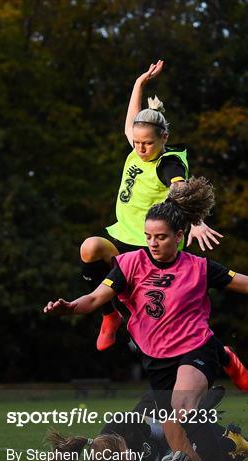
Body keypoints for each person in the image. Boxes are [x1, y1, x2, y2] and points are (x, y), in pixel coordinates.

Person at [44, 177, 248, 461]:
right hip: (157, 361)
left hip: (195, 348)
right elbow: (96, 298)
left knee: (183, 408)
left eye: (161, 237)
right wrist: (71, 308)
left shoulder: (200, 267)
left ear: (180, 236)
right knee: (179, 428)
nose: (153, 243)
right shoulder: (128, 265)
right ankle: (226, 441)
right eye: (148, 236)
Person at [80, 60, 222, 352]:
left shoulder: (167, 162)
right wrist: (139, 83)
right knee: (90, 248)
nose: (140, 148)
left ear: (164, 138)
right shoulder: (137, 147)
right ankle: (110, 316)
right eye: (136, 142)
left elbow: (180, 188)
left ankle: (222, 355)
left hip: (151, 250)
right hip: (122, 240)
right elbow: (132, 122)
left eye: (146, 143)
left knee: (164, 327)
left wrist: (196, 220)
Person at [40, 387, 248, 461]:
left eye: (129, 455)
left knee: (164, 396)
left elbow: (167, 430)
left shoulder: (122, 424)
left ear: (121, 440)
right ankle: (212, 430)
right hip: (165, 459)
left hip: (160, 420)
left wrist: (179, 448)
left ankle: (193, 406)